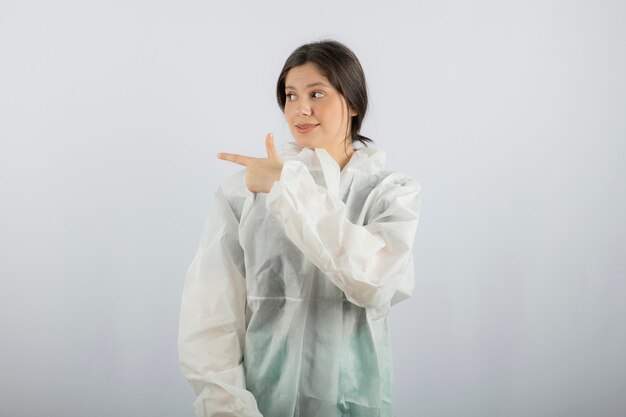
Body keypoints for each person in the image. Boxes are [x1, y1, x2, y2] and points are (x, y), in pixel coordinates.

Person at [177, 39, 422, 417]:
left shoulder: (391, 194)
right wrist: (229, 409)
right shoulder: (244, 193)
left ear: (353, 103)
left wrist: (288, 189)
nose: (300, 109)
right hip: (263, 404)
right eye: (290, 96)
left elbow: (375, 281)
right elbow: (210, 321)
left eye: (316, 93)